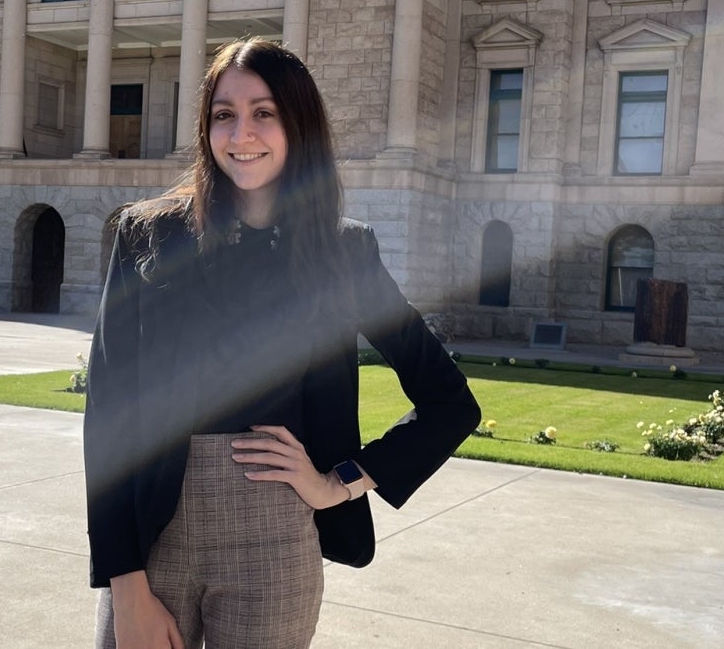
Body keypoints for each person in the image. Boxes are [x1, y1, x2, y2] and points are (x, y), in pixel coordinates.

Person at [84, 38, 482, 649]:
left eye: (264, 112)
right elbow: (109, 418)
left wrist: (340, 481)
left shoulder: (343, 253)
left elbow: (450, 402)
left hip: (273, 547)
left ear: (298, 124)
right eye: (224, 114)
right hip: (150, 541)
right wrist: (126, 585)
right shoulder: (149, 234)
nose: (241, 133)